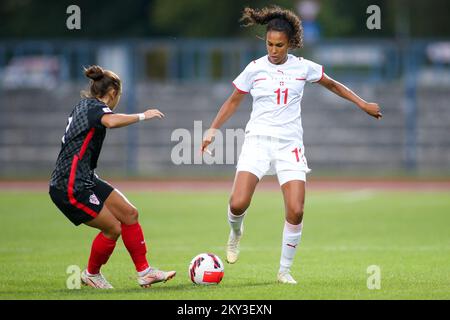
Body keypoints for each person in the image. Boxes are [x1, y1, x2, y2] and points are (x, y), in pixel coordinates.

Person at [201, 6, 382, 285]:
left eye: (279, 45)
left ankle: (284, 270)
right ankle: (236, 233)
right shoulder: (255, 68)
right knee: (238, 203)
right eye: (269, 44)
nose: (273, 50)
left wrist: (362, 104)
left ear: (291, 43)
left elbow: (333, 85)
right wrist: (212, 129)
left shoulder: (302, 67)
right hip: (258, 142)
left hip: (289, 146)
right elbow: (233, 100)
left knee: (296, 210)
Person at [49, 65, 176, 289]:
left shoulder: (85, 105)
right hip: (69, 184)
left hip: (85, 177)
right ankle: (91, 274)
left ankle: (145, 272)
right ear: (113, 93)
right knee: (113, 228)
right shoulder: (96, 108)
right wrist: (142, 116)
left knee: (129, 213)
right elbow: (111, 121)